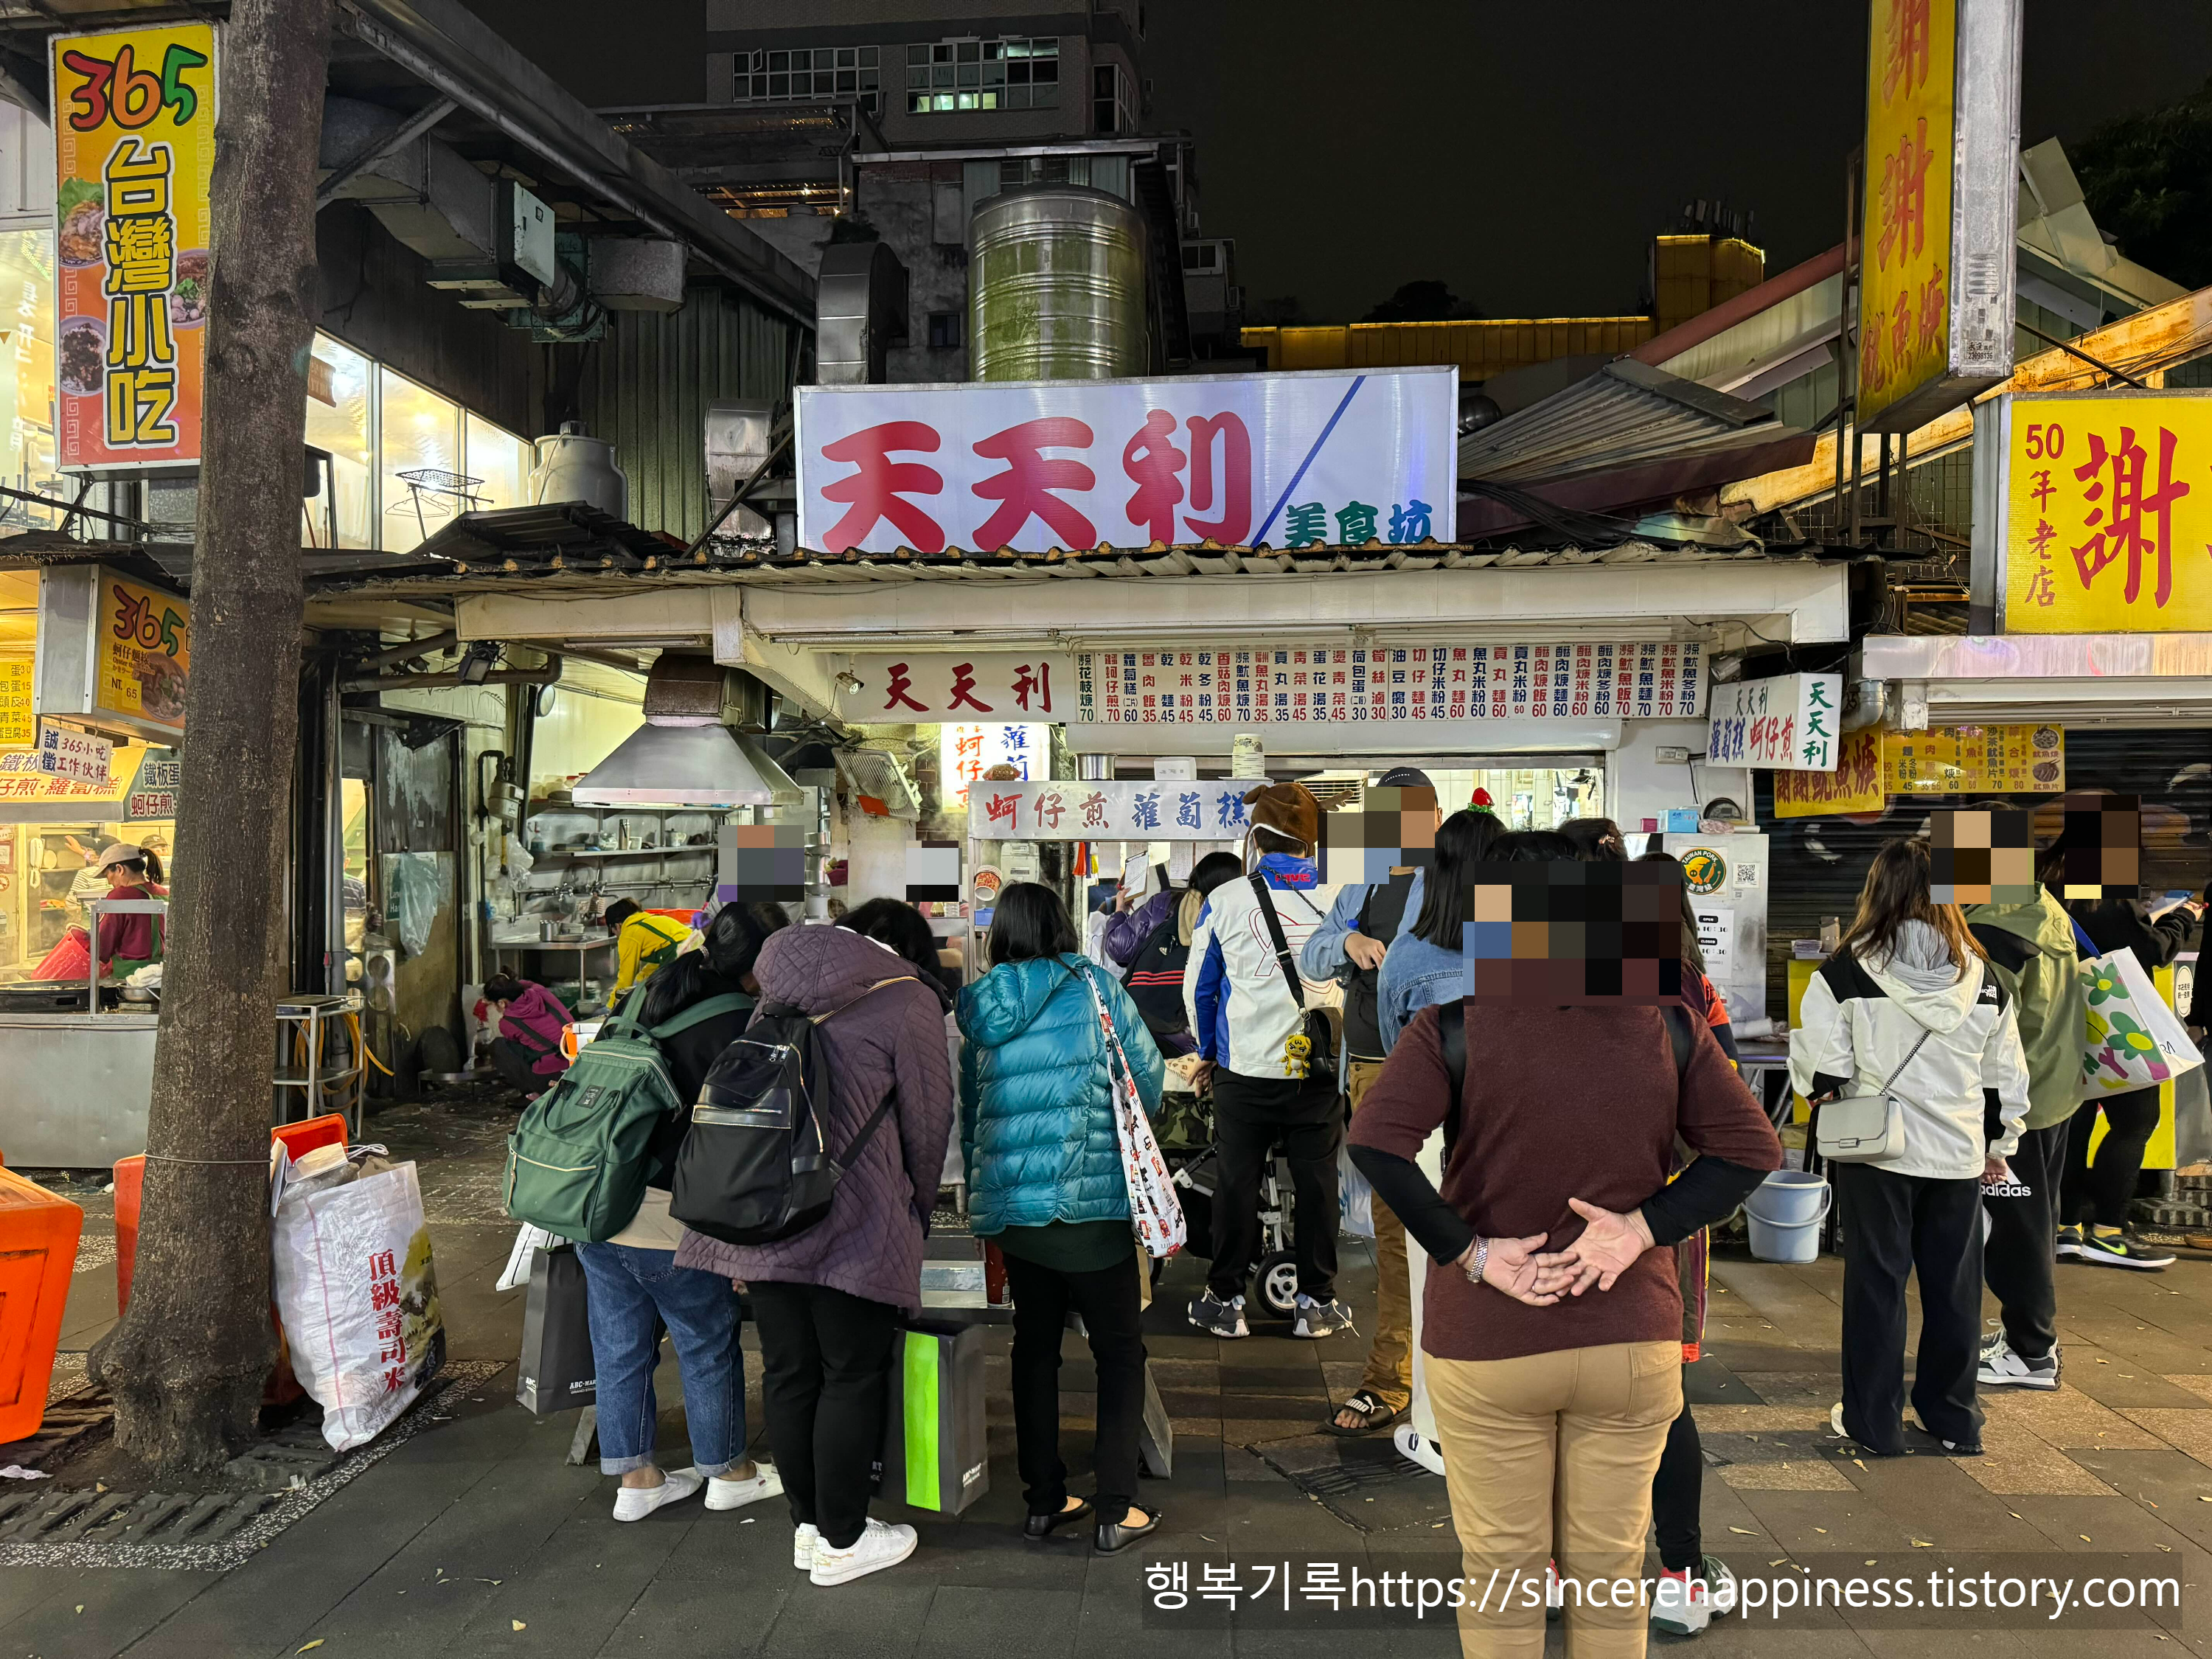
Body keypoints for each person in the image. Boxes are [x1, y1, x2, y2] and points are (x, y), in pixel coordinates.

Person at [1348, 833, 1783, 1659]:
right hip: (1629, 1336)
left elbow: (1376, 1143)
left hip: (1489, 1340)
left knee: (1505, 1573)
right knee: (1612, 1573)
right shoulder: (1669, 1023)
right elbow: (1751, 1151)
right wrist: (1642, 1229)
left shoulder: (1452, 1028)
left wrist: (1471, 1252)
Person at [673, 914, 954, 1587]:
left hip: (768, 1216)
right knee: (850, 1375)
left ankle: (808, 1528)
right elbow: (928, 1121)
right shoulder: (907, 1000)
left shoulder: (772, 1002)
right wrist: (915, 1208)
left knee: (791, 1372)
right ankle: (844, 1538)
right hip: (858, 1225)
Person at [1794, 839, 2031, 1456]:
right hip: (1958, 1154)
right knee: (1955, 1288)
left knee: (1878, 1284)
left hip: (1877, 1151)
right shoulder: (1985, 978)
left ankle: (1875, 1424)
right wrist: (1998, 1145)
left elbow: (1821, 1072)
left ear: (1876, 890)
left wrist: (1832, 1086)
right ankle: (1953, 1419)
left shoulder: (1844, 972)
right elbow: (2006, 1078)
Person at [958, 882, 1167, 1555]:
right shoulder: (1098, 990)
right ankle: (1115, 1507)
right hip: (1093, 1204)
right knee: (1118, 1352)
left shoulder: (979, 1009)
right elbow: (1151, 1083)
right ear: (1062, 927)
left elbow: (974, 1121)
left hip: (1016, 1214)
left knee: (1034, 1351)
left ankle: (1044, 1501)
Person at [574, 902, 789, 1523]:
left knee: (619, 1348)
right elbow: (739, 1145)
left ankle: (636, 1480)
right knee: (704, 1341)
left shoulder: (648, 993)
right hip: (670, 1217)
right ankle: (728, 1471)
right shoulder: (739, 1026)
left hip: (597, 1204)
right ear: (759, 966)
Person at [1305, 776, 1489, 1435]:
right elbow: (1313, 951)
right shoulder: (1364, 886)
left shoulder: (1463, 883)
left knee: (1472, 1219)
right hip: (1379, 1074)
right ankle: (1394, 1378)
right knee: (1398, 1233)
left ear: (1438, 817)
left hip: (1441, 1072)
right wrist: (1347, 945)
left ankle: (1461, 1377)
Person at [1185, 781, 1350, 1340]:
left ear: (1256, 839)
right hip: (1320, 1072)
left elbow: (1198, 990)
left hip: (1245, 1072)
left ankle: (1226, 1300)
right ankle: (1316, 1304)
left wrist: (1208, 1054)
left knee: (1236, 1183)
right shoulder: (1342, 898)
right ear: (1312, 844)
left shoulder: (1226, 900)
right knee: (1319, 1185)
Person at [1960, 815, 2092, 1390]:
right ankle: (2026, 1337)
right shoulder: (2042, 905)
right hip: (2056, 1091)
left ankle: (2031, 1352)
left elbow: (1978, 1028)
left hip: (2018, 1108)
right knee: (2035, 1218)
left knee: (2017, 1229)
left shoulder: (1996, 929)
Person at [2057, 860, 2203, 1270]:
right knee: (2135, 1122)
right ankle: (2107, 1232)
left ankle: (2065, 1228)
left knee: (2074, 1122)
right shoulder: (2103, 896)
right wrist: (2180, 919)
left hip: (2060, 1023)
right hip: (2114, 1028)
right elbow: (2151, 951)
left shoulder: (2043, 888)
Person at [1119, 850, 1245, 1054]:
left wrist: (1118, 914)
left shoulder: (1170, 911)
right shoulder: (1228, 918)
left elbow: (1120, 949)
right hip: (1190, 1036)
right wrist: (1207, 1051)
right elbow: (1204, 992)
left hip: (1139, 1023)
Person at [481, 972, 576, 1099]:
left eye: (493, 1004)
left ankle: (532, 1095)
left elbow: (515, 1047)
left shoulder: (507, 1023)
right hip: (578, 1069)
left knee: (499, 1046)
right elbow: (527, 983)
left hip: (552, 1079)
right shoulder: (540, 991)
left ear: (502, 1003)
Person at [91, 842, 166, 978]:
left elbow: (102, 948)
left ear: (119, 869)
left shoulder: (119, 897)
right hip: (164, 976)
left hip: (131, 980)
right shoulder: (163, 892)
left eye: (107, 874)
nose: (109, 882)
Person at [605, 897, 692, 998]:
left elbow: (626, 977)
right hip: (698, 946)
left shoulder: (629, 933)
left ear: (618, 925)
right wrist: (640, 979)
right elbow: (659, 960)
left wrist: (612, 1006)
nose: (617, 936)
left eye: (614, 932)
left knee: (664, 998)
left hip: (681, 953)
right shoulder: (652, 920)